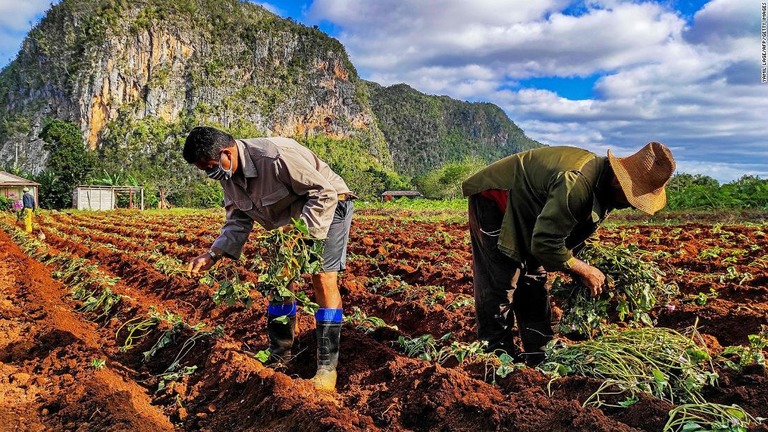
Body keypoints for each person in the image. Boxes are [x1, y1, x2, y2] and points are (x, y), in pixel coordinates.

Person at [462, 142, 675, 364]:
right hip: (496, 200)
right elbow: (545, 243)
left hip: (531, 210)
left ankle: (540, 354)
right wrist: (581, 268)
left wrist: (585, 261)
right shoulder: (577, 184)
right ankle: (495, 358)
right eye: (632, 198)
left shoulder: (605, 188)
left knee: (533, 278)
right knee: (502, 279)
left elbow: (575, 228)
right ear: (617, 181)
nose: (632, 206)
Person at [183, 126, 354, 392]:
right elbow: (238, 219)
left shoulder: (274, 157)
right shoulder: (228, 177)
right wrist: (213, 254)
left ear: (226, 153)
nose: (210, 174)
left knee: (322, 276)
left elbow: (324, 193)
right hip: (290, 222)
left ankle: (326, 369)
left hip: (330, 206)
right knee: (279, 281)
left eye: (210, 167)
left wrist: (302, 236)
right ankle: (280, 357)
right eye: (205, 170)